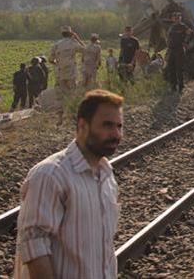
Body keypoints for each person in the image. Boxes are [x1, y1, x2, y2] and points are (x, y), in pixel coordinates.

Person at [13, 89, 124, 279]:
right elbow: (35, 247)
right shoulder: (51, 175)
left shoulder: (106, 175)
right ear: (82, 126)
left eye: (119, 126)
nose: (116, 134)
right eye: (107, 125)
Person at [50, 26, 85, 91]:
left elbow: (51, 60)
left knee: (62, 90)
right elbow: (85, 50)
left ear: (62, 34)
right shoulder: (73, 43)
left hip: (60, 70)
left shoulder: (56, 44)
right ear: (70, 34)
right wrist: (78, 39)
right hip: (71, 70)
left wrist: (58, 64)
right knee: (72, 90)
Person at [166, 12, 192, 93]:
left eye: (178, 17)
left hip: (179, 49)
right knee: (171, 68)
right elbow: (168, 38)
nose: (176, 19)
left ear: (180, 18)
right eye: (175, 17)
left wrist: (185, 42)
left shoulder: (183, 26)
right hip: (171, 49)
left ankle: (181, 86)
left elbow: (189, 33)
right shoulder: (171, 27)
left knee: (179, 68)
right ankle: (173, 86)